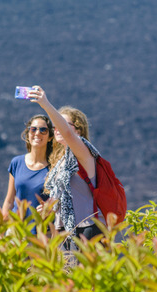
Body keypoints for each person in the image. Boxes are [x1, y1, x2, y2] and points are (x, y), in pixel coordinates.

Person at [29, 86, 105, 249]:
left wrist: (46, 104)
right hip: (64, 232)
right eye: (55, 125)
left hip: (87, 229)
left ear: (78, 129)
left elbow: (69, 135)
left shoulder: (83, 152)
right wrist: (49, 206)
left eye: (63, 124)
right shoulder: (62, 161)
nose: (57, 128)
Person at [2, 114, 54, 234]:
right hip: (15, 231)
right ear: (28, 134)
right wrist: (1, 228)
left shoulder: (54, 167)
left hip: (41, 232)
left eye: (43, 130)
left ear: (50, 137)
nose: (37, 133)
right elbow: (9, 200)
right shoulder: (16, 163)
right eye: (33, 129)